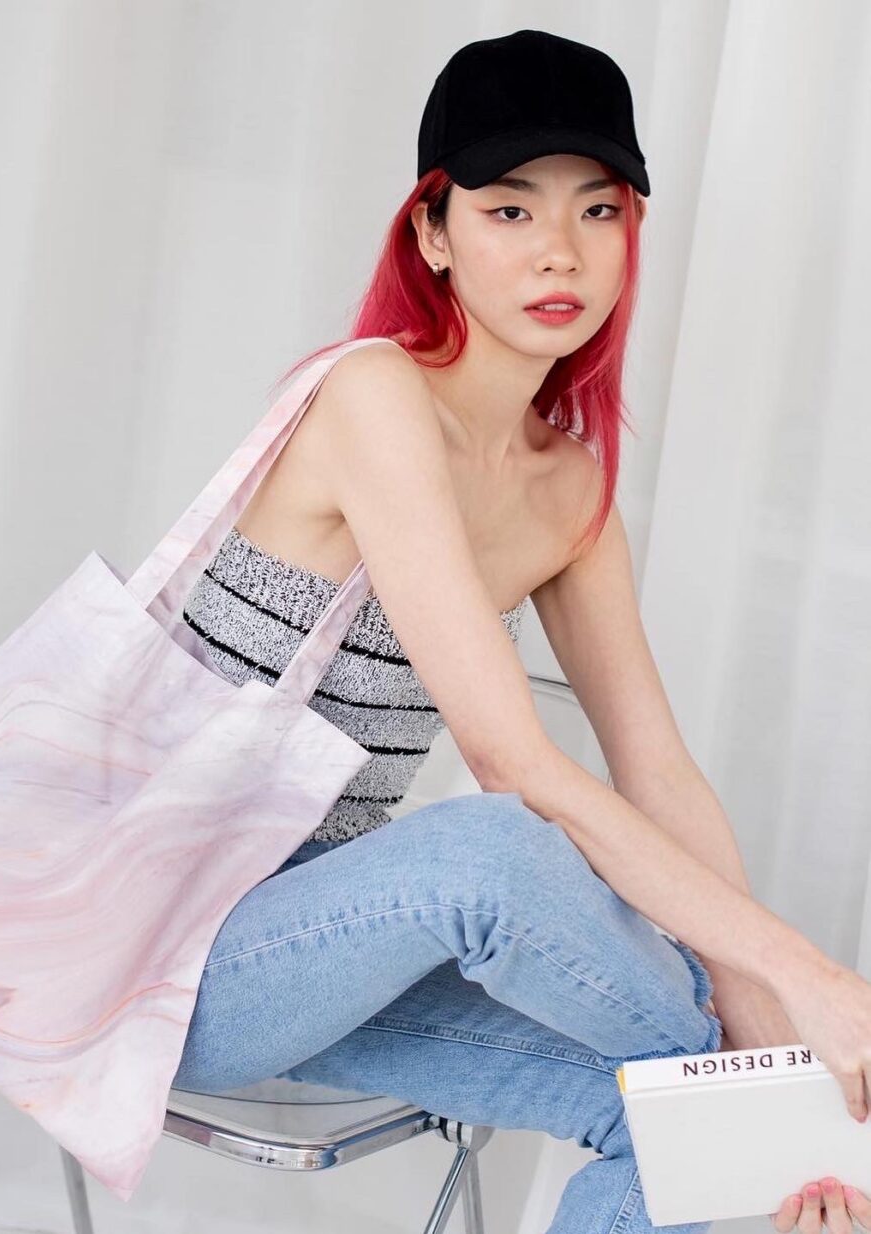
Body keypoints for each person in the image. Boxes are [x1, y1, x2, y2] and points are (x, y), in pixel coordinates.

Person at [171, 30, 871, 1234]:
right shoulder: (370, 394)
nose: (561, 250)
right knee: (494, 851)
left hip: (345, 947)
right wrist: (792, 984)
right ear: (431, 233)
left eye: (597, 210)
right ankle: (777, 1110)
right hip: (167, 950)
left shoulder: (569, 491)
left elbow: (657, 771)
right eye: (509, 209)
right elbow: (508, 762)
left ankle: (767, 1121)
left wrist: (757, 1011)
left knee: (667, 1115)